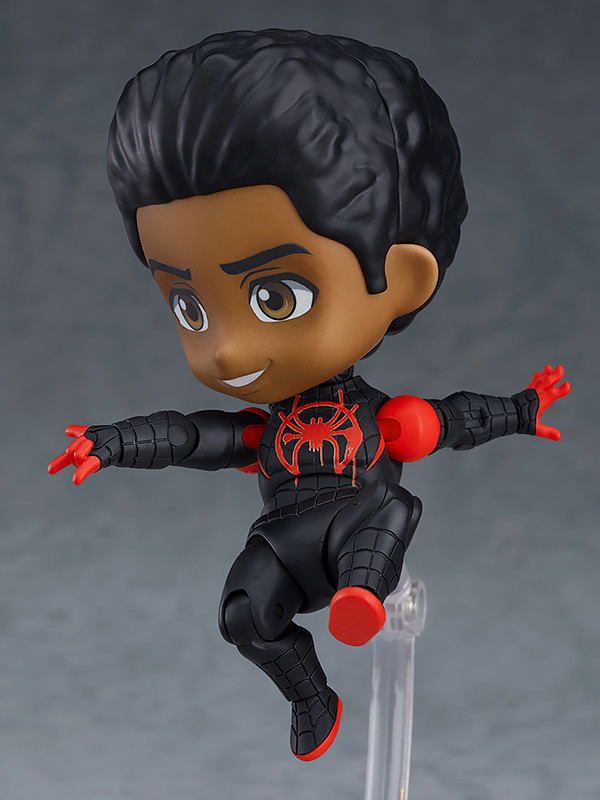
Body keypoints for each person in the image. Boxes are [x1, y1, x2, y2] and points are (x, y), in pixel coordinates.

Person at [48, 29, 570, 761]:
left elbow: (455, 418)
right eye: (189, 307)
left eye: (275, 296)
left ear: (402, 280)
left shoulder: (379, 419)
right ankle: (311, 695)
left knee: (388, 505)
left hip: (361, 518)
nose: (226, 349)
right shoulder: (264, 435)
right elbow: (192, 436)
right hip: (283, 537)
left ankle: (365, 589)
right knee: (241, 615)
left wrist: (519, 409)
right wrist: (112, 443)